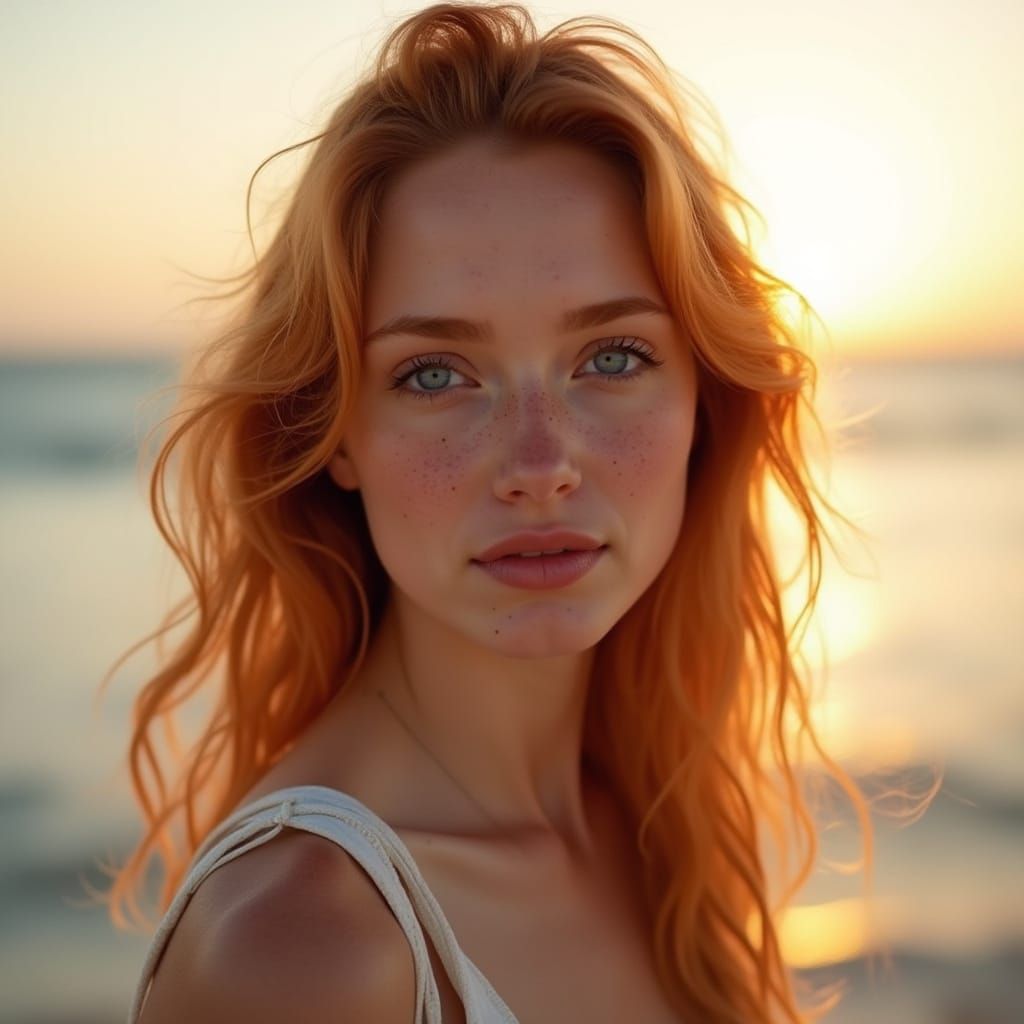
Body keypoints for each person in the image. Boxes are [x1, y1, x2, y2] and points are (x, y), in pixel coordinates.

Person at [104, 3, 875, 1021]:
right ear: (331, 429)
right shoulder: (303, 950)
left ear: (704, 400)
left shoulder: (649, 825)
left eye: (612, 357)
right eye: (435, 374)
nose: (540, 464)